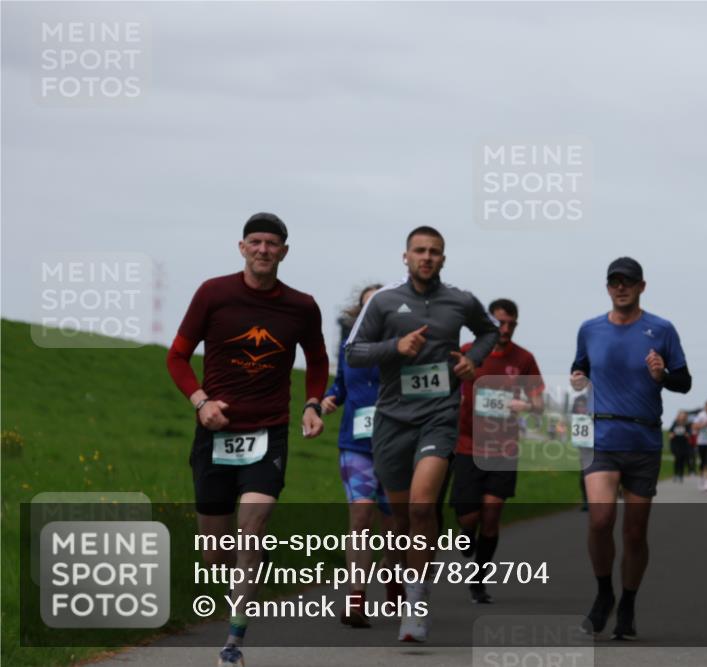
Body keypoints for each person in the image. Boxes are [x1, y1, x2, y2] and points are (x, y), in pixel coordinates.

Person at [165, 213, 329, 667]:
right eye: (255, 242)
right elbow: (177, 356)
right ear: (241, 248)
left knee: (251, 528)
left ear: (284, 252)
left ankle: (233, 642)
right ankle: (234, 589)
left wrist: (312, 404)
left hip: (269, 431)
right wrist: (202, 402)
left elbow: (317, 360)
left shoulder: (301, 306)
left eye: (272, 243)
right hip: (214, 432)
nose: (263, 250)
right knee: (215, 552)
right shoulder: (213, 294)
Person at [345, 226, 499, 643]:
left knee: (421, 506)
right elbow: (354, 353)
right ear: (405, 256)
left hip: (439, 414)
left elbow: (489, 332)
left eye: (434, 252)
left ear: (443, 260)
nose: (426, 257)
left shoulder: (460, 300)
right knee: (399, 518)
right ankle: (407, 585)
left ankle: (415, 603)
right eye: (419, 251)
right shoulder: (384, 301)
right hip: (393, 420)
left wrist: (472, 362)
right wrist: (396, 347)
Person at [571, 257, 691, 640]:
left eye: (628, 282)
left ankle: (629, 603)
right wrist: (577, 379)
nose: (620, 287)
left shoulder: (662, 330)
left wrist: (662, 375)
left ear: (642, 286)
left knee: (635, 533)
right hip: (601, 437)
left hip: (643, 440)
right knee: (601, 520)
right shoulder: (589, 329)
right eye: (614, 282)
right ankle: (604, 593)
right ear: (607, 287)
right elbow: (580, 370)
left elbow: (684, 382)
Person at [451, 298, 544, 603]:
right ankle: (465, 533)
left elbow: (540, 404)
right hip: (466, 444)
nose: (505, 329)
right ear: (488, 323)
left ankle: (478, 580)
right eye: (499, 323)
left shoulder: (524, 359)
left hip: (503, 447)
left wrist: (527, 405)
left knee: (491, 514)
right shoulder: (467, 352)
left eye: (510, 324)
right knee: (469, 515)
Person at [321, 284, 403, 628]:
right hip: (355, 444)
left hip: (396, 444)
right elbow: (341, 384)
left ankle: (396, 588)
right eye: (367, 309)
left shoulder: (403, 349)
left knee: (394, 526)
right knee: (360, 517)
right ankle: (356, 598)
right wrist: (328, 399)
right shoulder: (348, 347)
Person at [668, 410, 691, 482]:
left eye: (683, 416)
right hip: (676, 444)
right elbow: (670, 432)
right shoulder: (675, 423)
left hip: (684, 444)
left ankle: (681, 475)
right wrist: (671, 434)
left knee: (682, 460)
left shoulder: (687, 424)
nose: (681, 417)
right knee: (677, 460)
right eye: (680, 415)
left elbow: (689, 434)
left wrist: (687, 434)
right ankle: (675, 474)